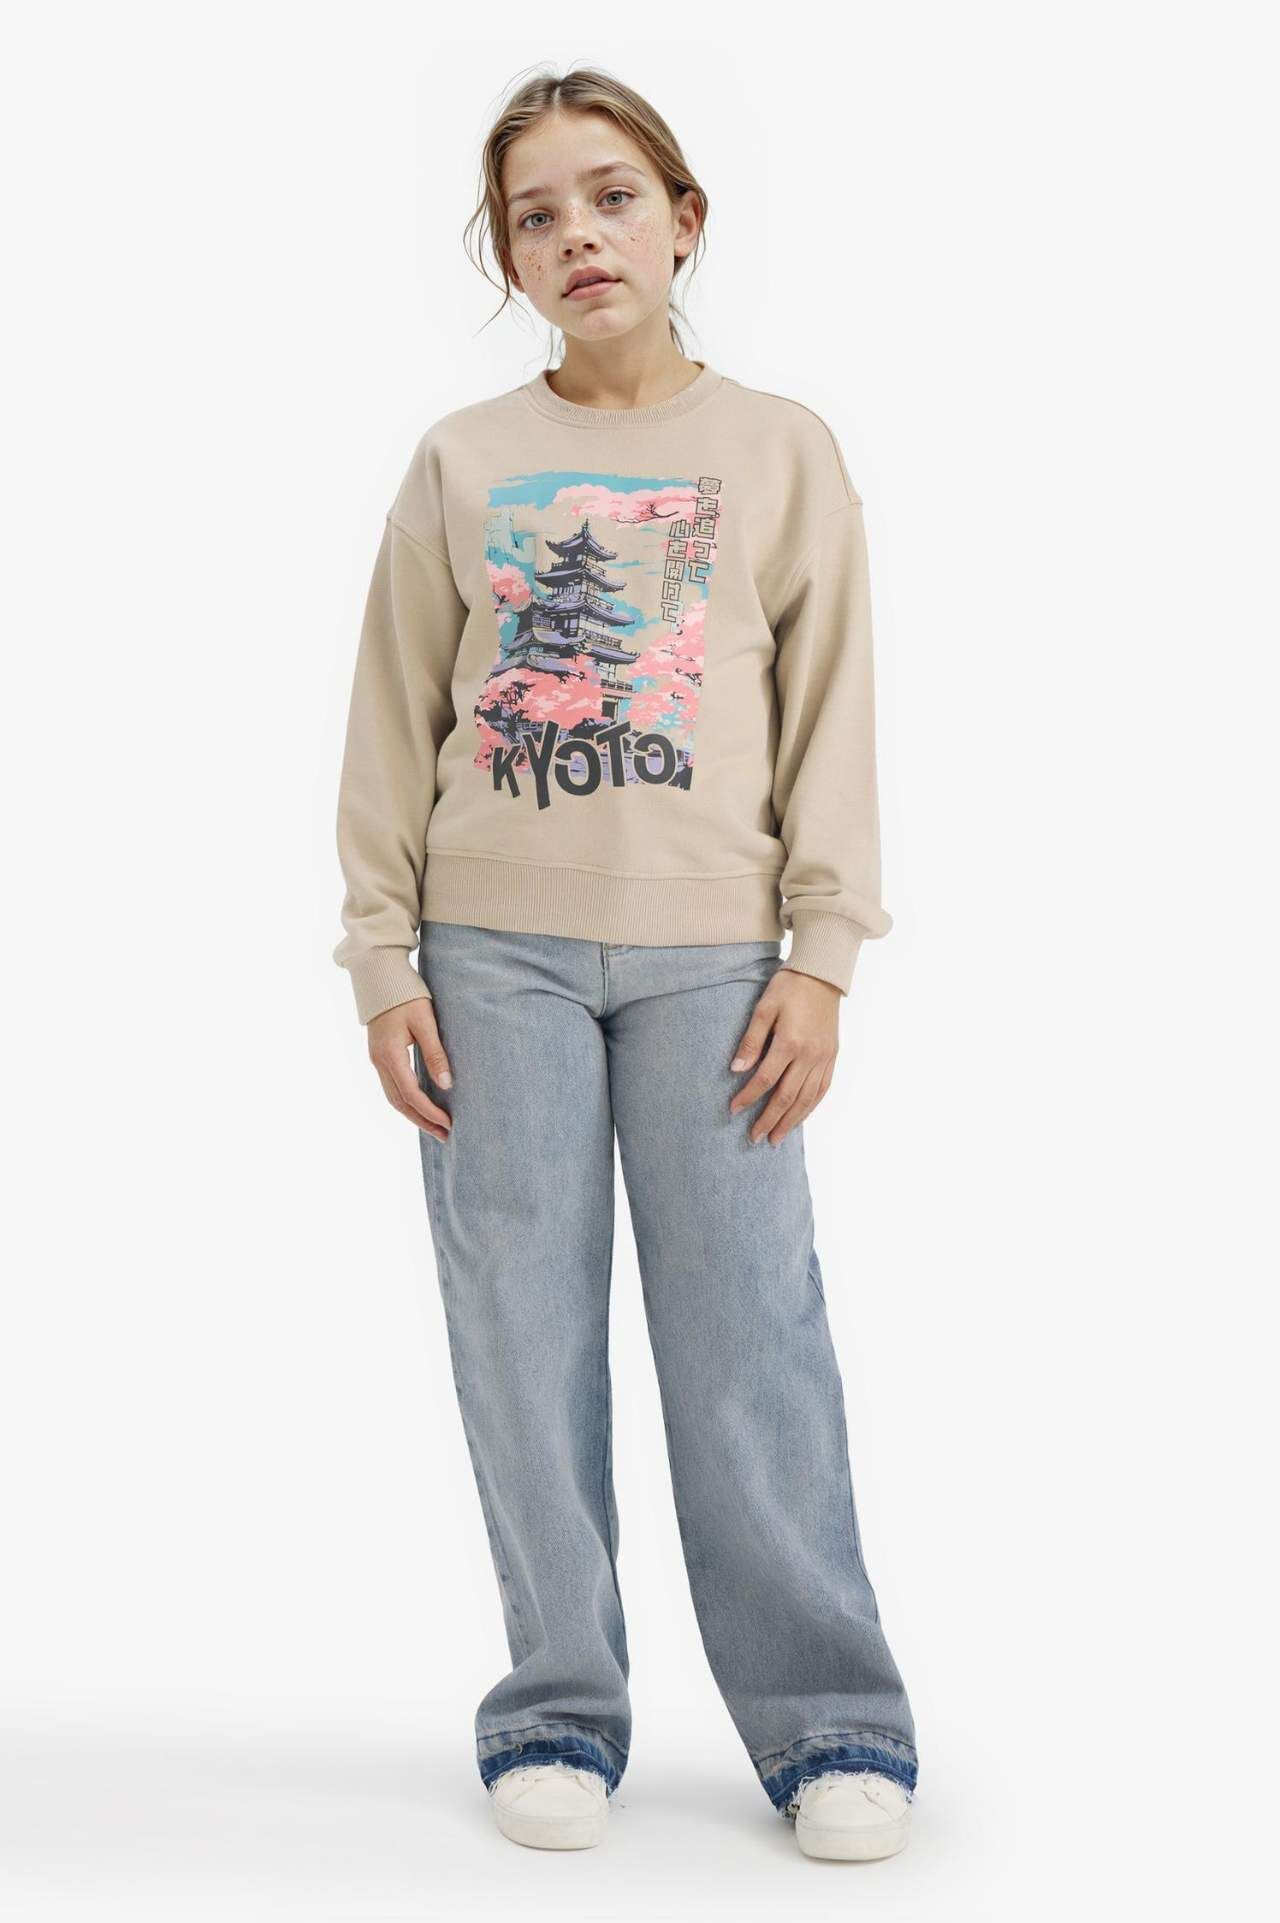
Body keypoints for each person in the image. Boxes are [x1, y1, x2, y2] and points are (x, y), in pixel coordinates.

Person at [332, 65, 919, 1863]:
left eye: (610, 196)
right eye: (536, 215)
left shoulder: (781, 450)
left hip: (714, 963)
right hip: (487, 956)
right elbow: (391, 717)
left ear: (684, 219)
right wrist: (382, 959)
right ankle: (558, 1707)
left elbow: (830, 714)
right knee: (520, 1335)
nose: (578, 235)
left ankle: (833, 1723)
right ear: (507, 258)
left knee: (749, 1335)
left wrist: (824, 952)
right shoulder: (463, 461)